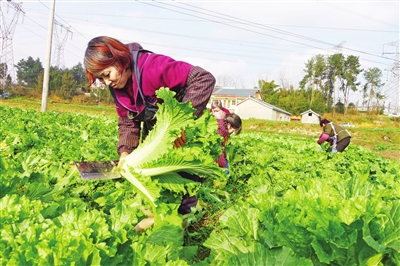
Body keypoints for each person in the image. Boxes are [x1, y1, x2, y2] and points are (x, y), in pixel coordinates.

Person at [84, 36, 216, 230]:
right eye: (101, 78)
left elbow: (203, 78)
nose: (106, 82)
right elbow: (128, 120)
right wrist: (125, 152)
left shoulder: (153, 67)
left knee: (182, 173)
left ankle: (182, 221)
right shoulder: (118, 86)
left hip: (182, 128)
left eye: (107, 74)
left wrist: (179, 123)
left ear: (120, 60)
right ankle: (160, 213)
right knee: (157, 176)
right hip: (156, 129)